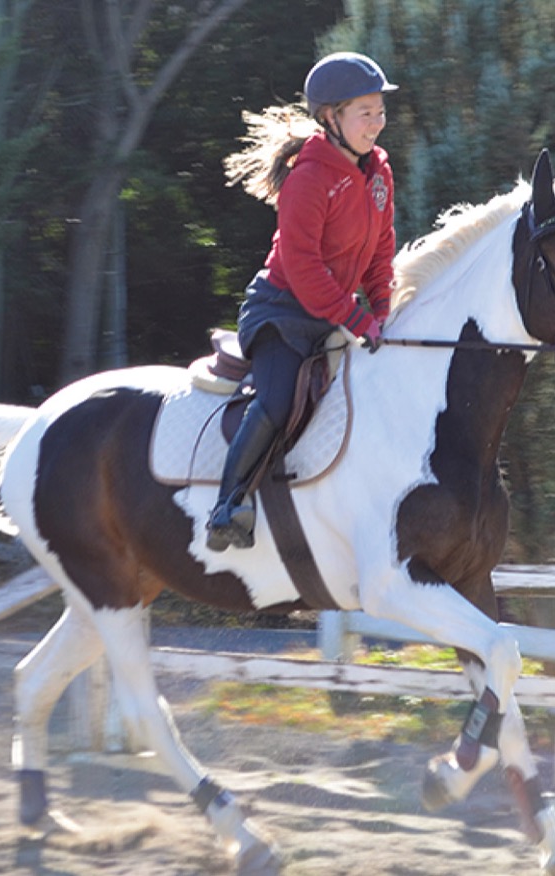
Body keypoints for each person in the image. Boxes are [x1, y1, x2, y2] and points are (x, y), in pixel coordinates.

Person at [206, 51, 398, 552]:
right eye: (366, 113)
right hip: (284, 311)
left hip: (335, 311)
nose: (377, 124)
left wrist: (381, 309)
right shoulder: (309, 178)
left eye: (380, 112)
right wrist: (357, 317)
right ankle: (227, 506)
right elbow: (305, 269)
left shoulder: (378, 172)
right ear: (331, 117)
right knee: (274, 401)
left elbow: (381, 250)